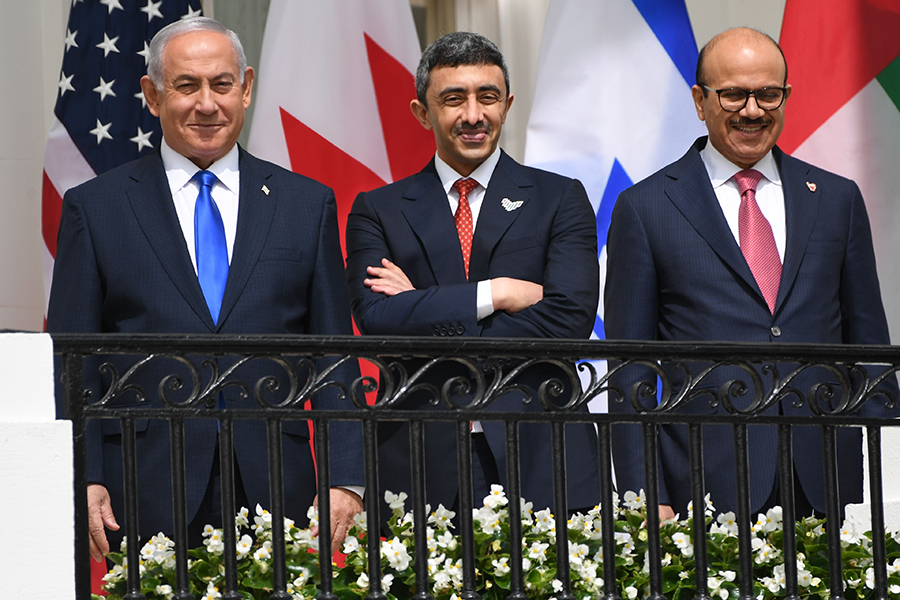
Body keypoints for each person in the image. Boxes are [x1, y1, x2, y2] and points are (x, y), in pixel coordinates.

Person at [47, 17, 362, 560]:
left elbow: (333, 352)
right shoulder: (95, 208)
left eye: (221, 84)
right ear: (152, 94)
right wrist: (85, 471)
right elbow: (75, 359)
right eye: (187, 85)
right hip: (141, 485)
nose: (207, 104)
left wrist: (346, 476)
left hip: (276, 482)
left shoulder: (306, 205)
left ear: (245, 88)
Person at [605, 27, 897, 519]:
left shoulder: (836, 199)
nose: (753, 110)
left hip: (823, 478)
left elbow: (869, 347)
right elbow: (629, 370)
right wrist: (644, 495)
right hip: (702, 483)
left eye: (768, 93)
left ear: (786, 96)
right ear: (700, 100)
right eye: (734, 94)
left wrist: (878, 462)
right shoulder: (645, 207)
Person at [345, 31, 600, 518]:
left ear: (506, 104)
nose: (473, 116)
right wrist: (496, 292)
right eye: (453, 99)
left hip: (542, 451)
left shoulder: (560, 198)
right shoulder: (378, 210)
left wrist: (421, 305)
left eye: (487, 97)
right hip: (418, 457)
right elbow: (376, 319)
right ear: (423, 112)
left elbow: (568, 321)